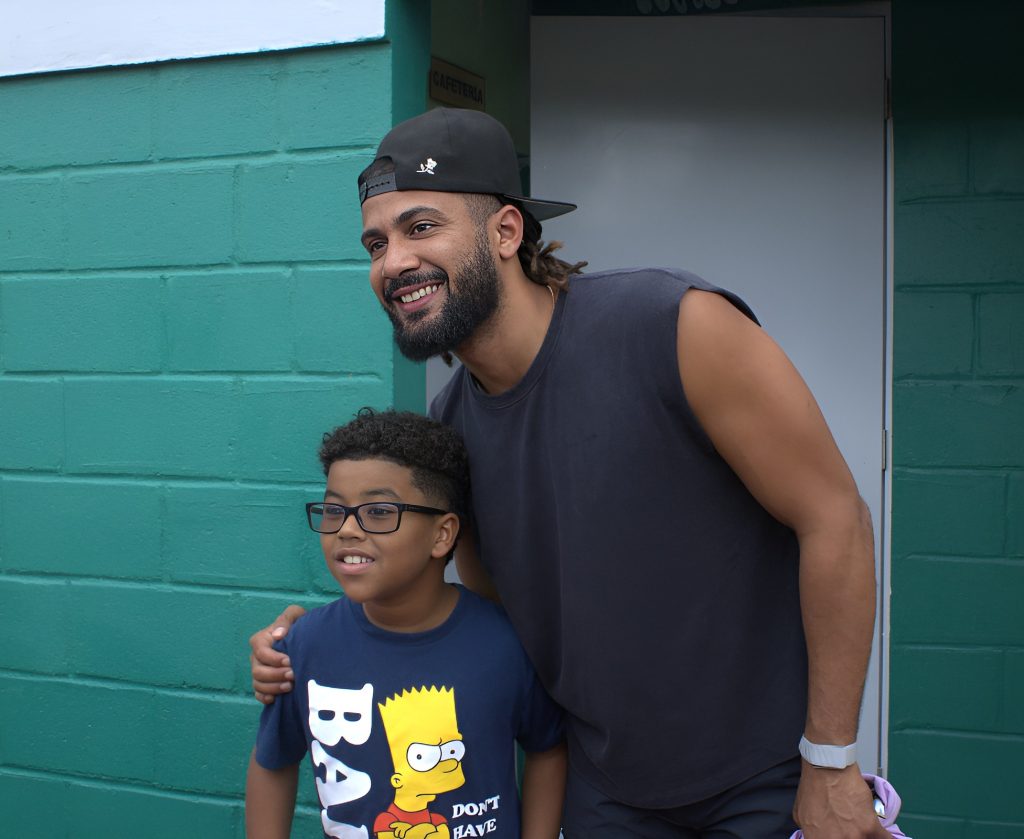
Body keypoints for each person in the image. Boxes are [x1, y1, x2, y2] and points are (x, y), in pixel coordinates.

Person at [251, 108, 887, 838]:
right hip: (604, 791)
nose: (391, 262)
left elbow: (835, 518)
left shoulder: (673, 325)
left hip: (769, 778)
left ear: (506, 232)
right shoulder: (452, 429)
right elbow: (484, 619)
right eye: (376, 242)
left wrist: (831, 757)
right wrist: (314, 643)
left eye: (420, 227)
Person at [245, 408, 566, 839]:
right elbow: (272, 761)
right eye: (334, 510)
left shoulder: (506, 643)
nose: (347, 530)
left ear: (442, 535)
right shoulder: (304, 646)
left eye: (378, 511)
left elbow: (547, 751)